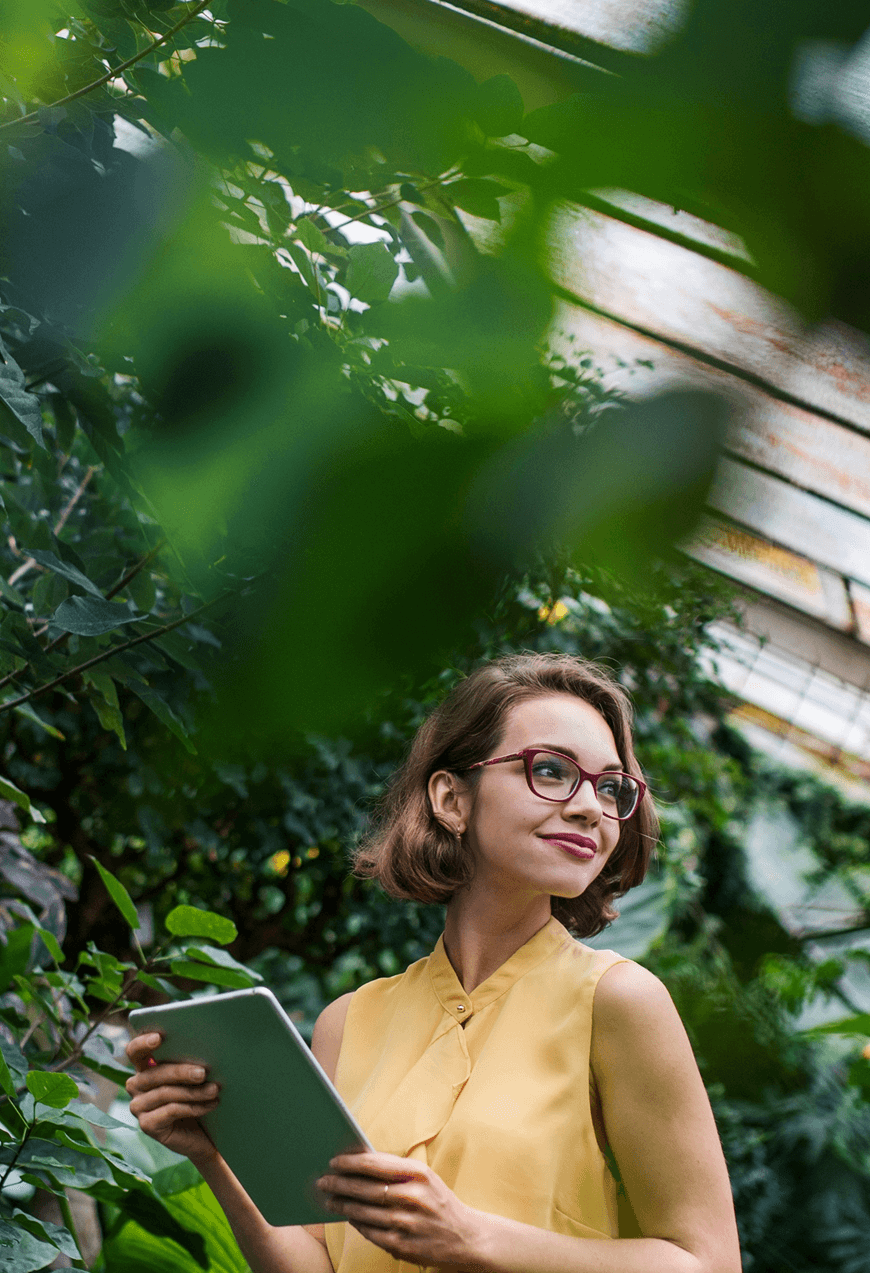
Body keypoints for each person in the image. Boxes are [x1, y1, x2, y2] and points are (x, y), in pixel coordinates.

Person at [125, 652, 742, 1273]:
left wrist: (479, 1241)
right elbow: (316, 1265)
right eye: (551, 771)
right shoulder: (348, 1021)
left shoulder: (619, 1001)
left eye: (610, 787)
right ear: (451, 798)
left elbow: (709, 1264)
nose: (591, 807)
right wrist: (215, 1154)